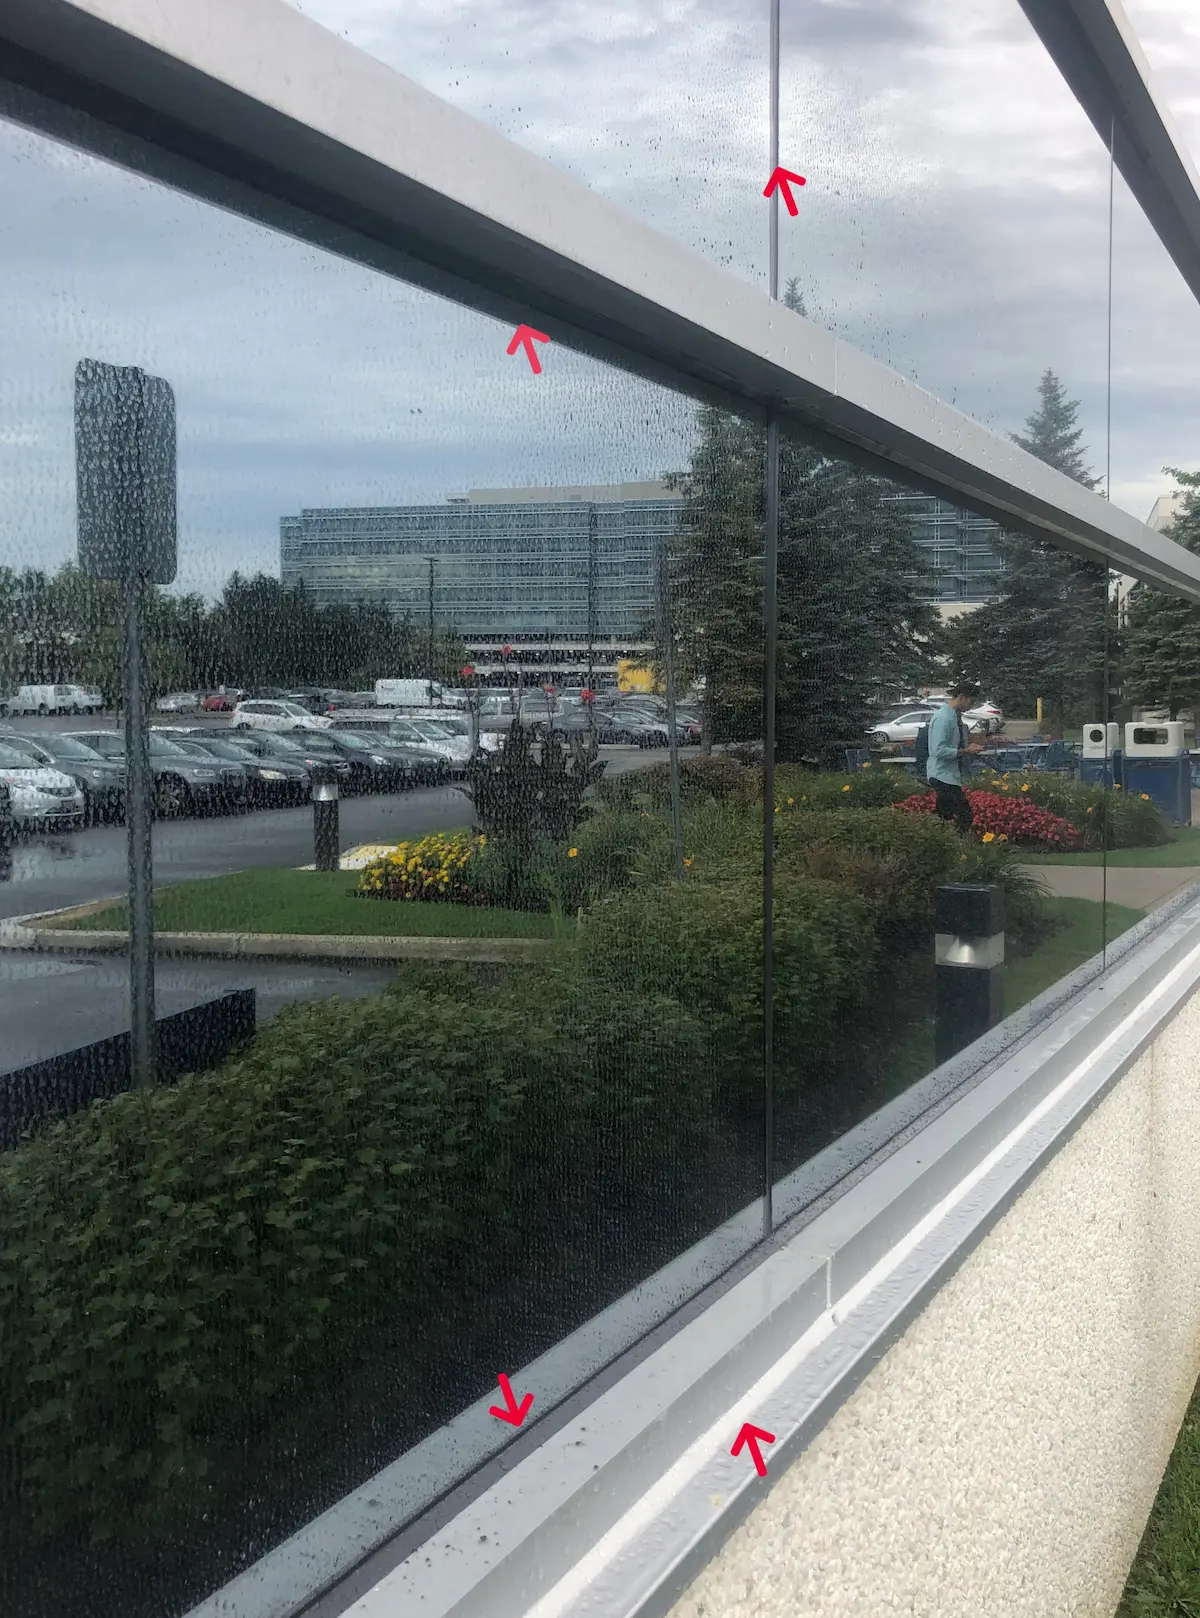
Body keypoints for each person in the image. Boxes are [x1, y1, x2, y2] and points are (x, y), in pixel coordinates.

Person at [926, 682, 985, 832]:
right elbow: (937, 750)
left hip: (949, 774)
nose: (971, 706)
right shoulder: (943, 718)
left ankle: (941, 844)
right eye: (971, 701)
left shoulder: (952, 716)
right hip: (942, 774)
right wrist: (965, 751)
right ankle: (958, 846)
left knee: (944, 816)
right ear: (961, 697)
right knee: (964, 815)